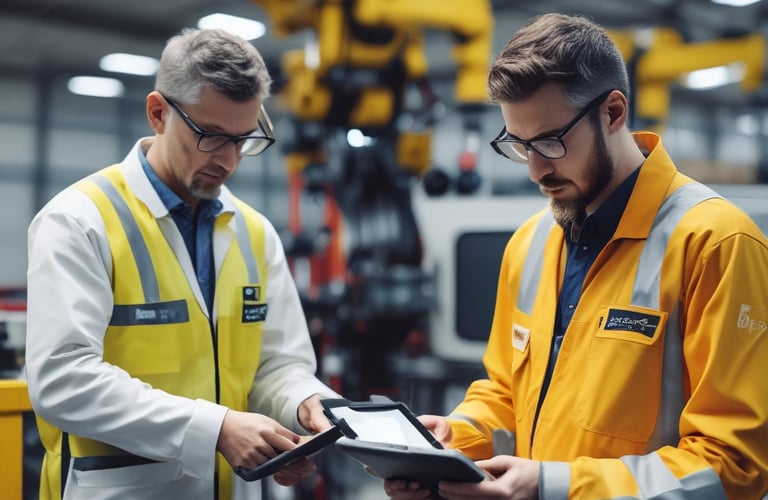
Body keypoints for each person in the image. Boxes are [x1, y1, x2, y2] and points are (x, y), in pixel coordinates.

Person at [384, 12, 768, 500]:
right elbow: (505, 391)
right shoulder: (529, 242)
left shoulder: (716, 243)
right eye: (519, 146)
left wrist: (554, 486)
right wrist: (455, 440)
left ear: (612, 112)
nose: (536, 171)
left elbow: (734, 463)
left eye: (549, 142)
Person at [25, 28, 339, 500]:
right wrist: (215, 429)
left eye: (245, 138)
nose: (230, 161)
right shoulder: (79, 221)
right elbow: (62, 379)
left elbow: (277, 363)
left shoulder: (254, 233)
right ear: (158, 113)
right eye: (212, 137)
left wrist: (305, 404)